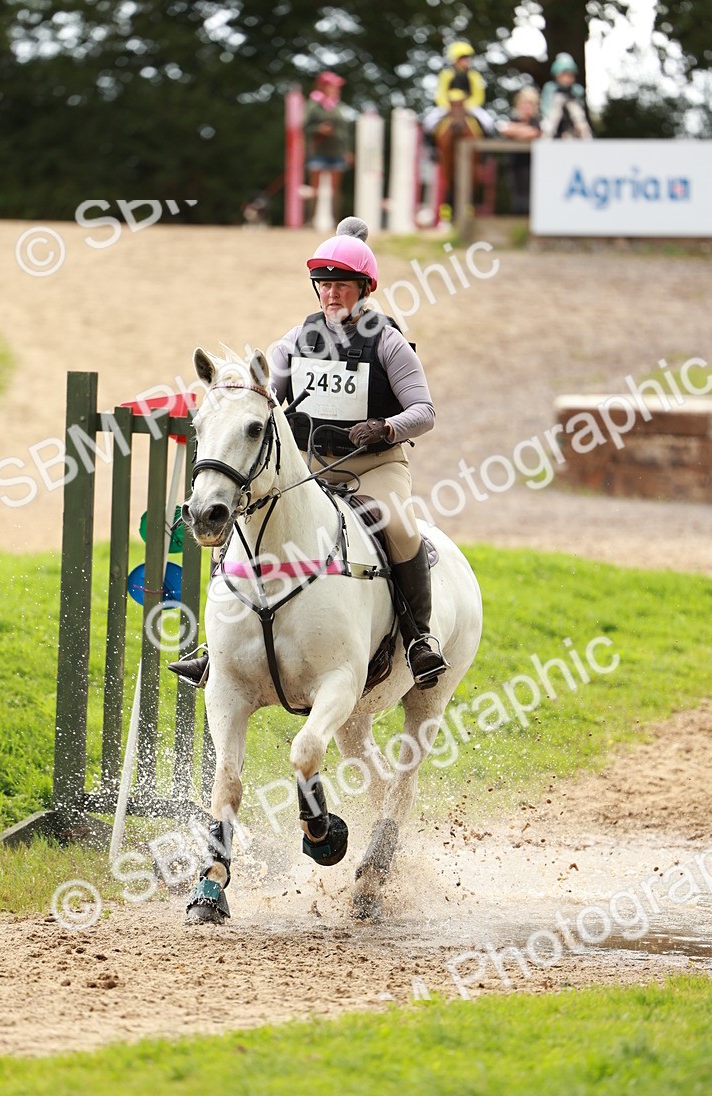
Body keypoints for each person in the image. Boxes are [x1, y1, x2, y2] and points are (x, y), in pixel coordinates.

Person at [171, 217, 448, 691]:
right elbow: (265, 394)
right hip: (308, 467)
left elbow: (425, 411)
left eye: (341, 285)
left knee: (400, 527)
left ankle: (419, 638)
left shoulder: (387, 341)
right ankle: (217, 650)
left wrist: (385, 427)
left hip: (374, 466)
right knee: (244, 522)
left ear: (364, 288)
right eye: (323, 285)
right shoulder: (297, 340)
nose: (331, 294)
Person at [302, 71, 354, 226]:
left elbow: (344, 131)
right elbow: (304, 127)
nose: (336, 89)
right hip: (318, 152)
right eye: (333, 86)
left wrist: (347, 150)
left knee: (336, 190)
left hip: (337, 152)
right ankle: (311, 221)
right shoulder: (312, 105)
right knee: (315, 189)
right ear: (323, 86)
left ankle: (337, 223)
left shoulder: (338, 105)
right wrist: (318, 129)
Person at [425, 41, 495, 140]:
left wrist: (465, 106)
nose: (466, 61)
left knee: (488, 122)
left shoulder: (474, 76)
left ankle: (486, 146)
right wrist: (448, 106)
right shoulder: (446, 75)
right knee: (429, 122)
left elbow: (478, 96)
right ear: (455, 60)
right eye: (462, 58)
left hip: (469, 107)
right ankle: (430, 146)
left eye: (467, 58)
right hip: (448, 107)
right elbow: (440, 94)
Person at [498, 86, 542, 214]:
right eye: (524, 104)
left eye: (529, 104)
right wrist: (524, 130)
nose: (526, 107)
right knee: (517, 197)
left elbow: (534, 133)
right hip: (515, 165)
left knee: (531, 197)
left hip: (532, 165)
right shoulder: (512, 119)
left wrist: (516, 131)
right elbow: (505, 130)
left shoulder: (537, 121)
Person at [541, 53, 593, 140]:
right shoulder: (550, 88)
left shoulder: (576, 90)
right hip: (554, 129)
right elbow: (546, 111)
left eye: (569, 75)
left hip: (572, 133)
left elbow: (580, 114)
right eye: (563, 75)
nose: (566, 79)